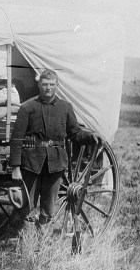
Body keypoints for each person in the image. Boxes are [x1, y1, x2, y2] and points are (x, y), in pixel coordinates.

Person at [9, 69, 99, 229]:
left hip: (56, 164)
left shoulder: (65, 107)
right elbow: (16, 139)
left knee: (48, 209)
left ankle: (42, 246)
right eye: (44, 84)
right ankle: (27, 247)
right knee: (27, 207)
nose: (48, 88)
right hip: (31, 164)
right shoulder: (28, 107)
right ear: (39, 85)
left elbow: (75, 133)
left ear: (57, 85)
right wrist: (15, 167)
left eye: (51, 84)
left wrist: (90, 137)